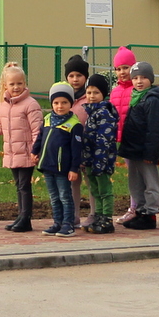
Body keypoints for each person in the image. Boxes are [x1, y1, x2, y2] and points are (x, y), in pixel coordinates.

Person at [0, 62, 42, 232]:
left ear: (25, 83)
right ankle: (21, 216)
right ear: (5, 85)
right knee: (18, 185)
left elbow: (38, 130)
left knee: (24, 185)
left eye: (19, 83)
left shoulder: (31, 104)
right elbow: (0, 127)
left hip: (27, 153)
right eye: (12, 84)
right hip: (12, 153)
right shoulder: (4, 105)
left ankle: (25, 218)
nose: (16, 87)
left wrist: (36, 150)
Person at [116, 61, 159, 228]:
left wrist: (150, 153)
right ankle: (140, 210)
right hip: (133, 149)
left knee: (150, 182)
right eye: (136, 78)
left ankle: (149, 214)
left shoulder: (153, 99)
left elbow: (154, 129)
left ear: (151, 79)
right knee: (136, 182)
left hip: (145, 151)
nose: (139, 81)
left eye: (144, 77)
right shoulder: (136, 98)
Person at [32, 83, 84, 237]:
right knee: (54, 197)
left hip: (63, 168)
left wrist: (74, 168)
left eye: (64, 103)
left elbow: (76, 149)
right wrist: (34, 151)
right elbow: (40, 137)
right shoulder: (47, 119)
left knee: (64, 196)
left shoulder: (74, 125)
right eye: (56, 103)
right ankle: (57, 222)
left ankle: (68, 224)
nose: (60, 106)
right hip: (48, 165)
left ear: (71, 104)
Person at [80, 74, 120, 233]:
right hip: (90, 159)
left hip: (101, 160)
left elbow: (103, 140)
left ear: (103, 94)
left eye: (95, 92)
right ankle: (98, 214)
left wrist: (99, 161)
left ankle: (107, 218)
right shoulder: (92, 113)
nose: (91, 96)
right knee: (95, 189)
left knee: (104, 189)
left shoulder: (104, 113)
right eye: (89, 92)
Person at [63, 53, 93, 227]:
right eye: (71, 76)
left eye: (79, 76)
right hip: (69, 147)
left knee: (91, 182)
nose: (75, 79)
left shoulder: (89, 98)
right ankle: (72, 215)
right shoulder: (63, 98)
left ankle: (93, 213)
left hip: (87, 146)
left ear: (85, 77)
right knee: (72, 181)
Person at [111, 47, 138, 222]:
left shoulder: (137, 90)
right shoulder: (115, 91)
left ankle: (139, 207)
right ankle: (134, 206)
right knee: (133, 176)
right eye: (119, 69)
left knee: (140, 175)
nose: (122, 72)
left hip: (137, 139)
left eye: (126, 67)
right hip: (123, 141)